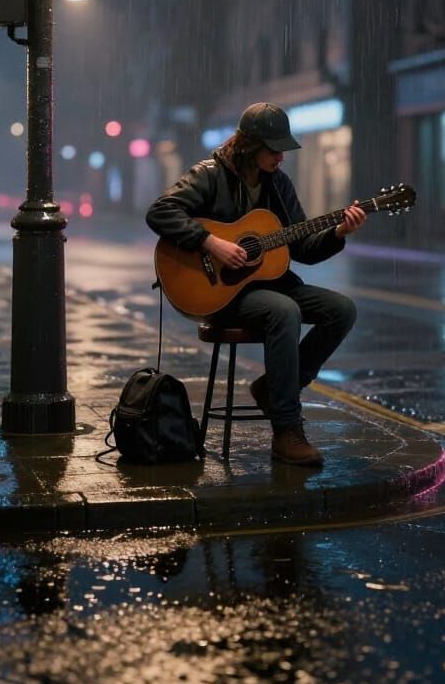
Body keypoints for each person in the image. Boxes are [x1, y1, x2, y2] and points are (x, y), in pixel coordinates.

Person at [146, 102, 367, 467]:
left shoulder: (278, 184)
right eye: (274, 149)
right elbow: (160, 211)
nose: (281, 157)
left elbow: (303, 248)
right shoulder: (209, 174)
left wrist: (339, 232)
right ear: (250, 146)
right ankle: (286, 430)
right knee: (284, 310)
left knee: (341, 310)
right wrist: (211, 243)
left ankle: (274, 389)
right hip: (221, 293)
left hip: (269, 284)